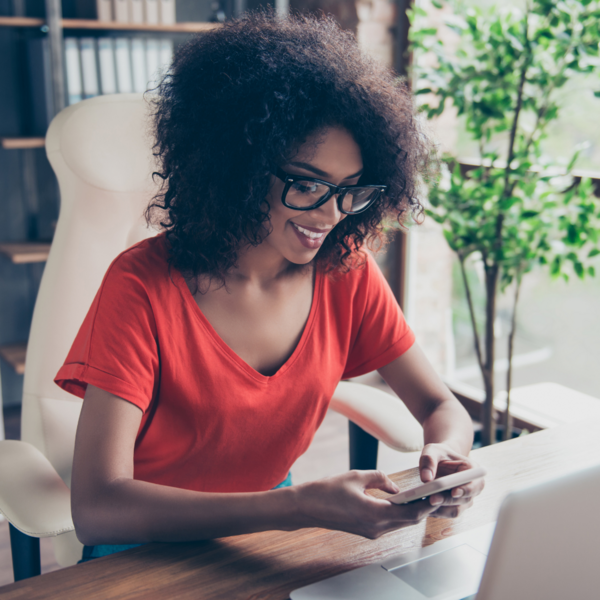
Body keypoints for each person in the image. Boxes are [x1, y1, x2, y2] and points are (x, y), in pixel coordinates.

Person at [55, 10, 484, 562]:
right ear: (239, 168)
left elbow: (439, 405)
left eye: (351, 190)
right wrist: (297, 507)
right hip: (142, 547)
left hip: (265, 539)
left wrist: (449, 456)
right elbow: (96, 510)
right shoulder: (141, 286)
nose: (330, 214)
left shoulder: (344, 271)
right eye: (307, 184)